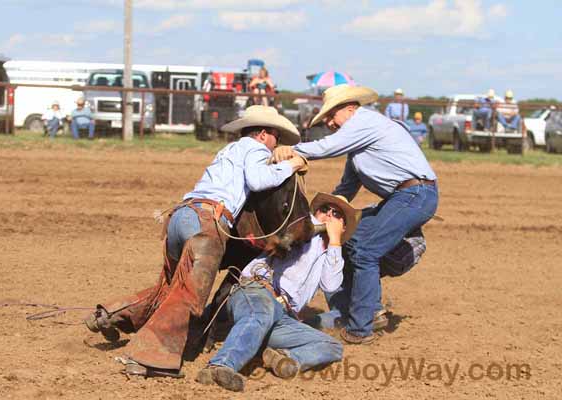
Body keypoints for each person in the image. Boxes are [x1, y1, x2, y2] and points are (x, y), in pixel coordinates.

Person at [84, 105, 307, 378]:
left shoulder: (229, 150)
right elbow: (259, 181)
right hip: (208, 221)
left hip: (181, 216)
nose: (277, 143)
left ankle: (112, 314)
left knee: (171, 286)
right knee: (190, 294)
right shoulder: (256, 149)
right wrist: (291, 164)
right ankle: (150, 359)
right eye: (276, 137)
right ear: (263, 134)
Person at [272, 84, 438, 345]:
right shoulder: (360, 145)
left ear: (350, 108)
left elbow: (328, 147)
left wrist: (292, 150)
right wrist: (326, 216)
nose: (328, 123)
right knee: (348, 241)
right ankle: (365, 311)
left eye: (330, 116)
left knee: (365, 251)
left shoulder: (366, 121)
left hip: (415, 195)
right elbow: (346, 189)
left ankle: (361, 328)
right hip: (409, 197)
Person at [196, 193, 355, 392]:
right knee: (259, 314)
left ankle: (282, 357)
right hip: (257, 290)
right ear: (315, 212)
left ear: (343, 226)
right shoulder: (301, 228)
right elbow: (292, 232)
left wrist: (335, 242)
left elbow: (331, 285)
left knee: (331, 346)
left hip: (283, 314)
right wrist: (310, 227)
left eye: (337, 214)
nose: (329, 216)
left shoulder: (332, 252)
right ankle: (220, 366)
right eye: (325, 210)